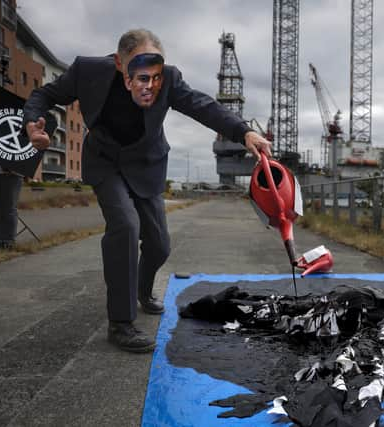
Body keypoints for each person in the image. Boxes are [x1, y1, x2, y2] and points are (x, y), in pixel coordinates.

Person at [23, 29, 272, 353]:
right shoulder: (88, 70)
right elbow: (43, 95)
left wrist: (244, 132)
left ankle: (142, 290)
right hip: (106, 162)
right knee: (125, 226)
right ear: (118, 63)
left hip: (147, 165)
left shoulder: (168, 78)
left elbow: (203, 106)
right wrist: (33, 122)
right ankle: (121, 323)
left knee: (159, 245)